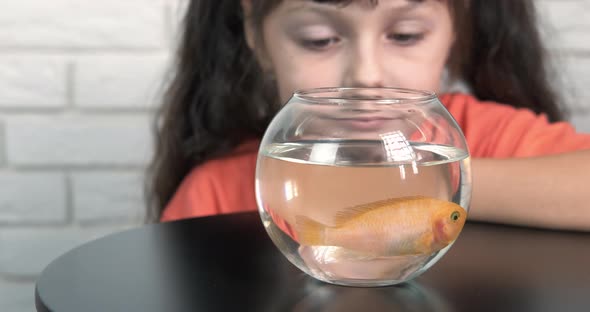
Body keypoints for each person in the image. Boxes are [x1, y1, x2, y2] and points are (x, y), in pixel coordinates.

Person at [146, 0, 590, 231]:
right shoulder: (217, 191)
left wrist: (434, 183)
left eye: (404, 34)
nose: (366, 76)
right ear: (255, 35)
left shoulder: (486, 137)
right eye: (319, 39)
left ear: (455, 28)